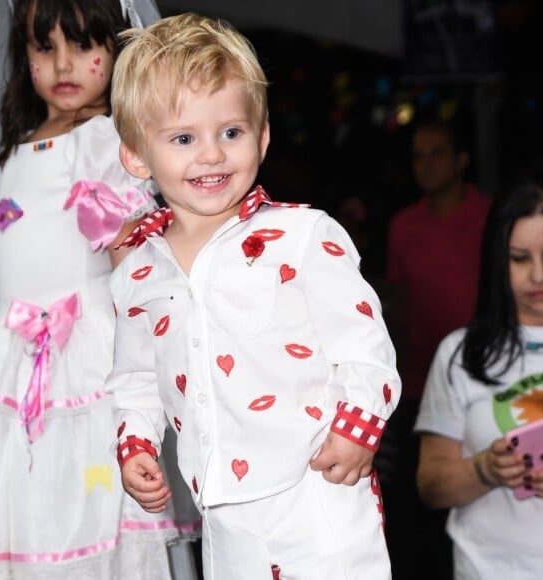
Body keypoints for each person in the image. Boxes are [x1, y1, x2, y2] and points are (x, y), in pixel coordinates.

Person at [105, 12, 401, 580]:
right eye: (184, 138)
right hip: (221, 513)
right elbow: (135, 378)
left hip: (316, 491)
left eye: (231, 132)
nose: (212, 155)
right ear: (137, 155)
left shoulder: (305, 235)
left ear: (261, 137)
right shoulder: (136, 271)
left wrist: (357, 425)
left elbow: (365, 345)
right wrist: (136, 444)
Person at [0, 1, 200, 578]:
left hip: (81, 364)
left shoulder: (108, 138)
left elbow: (133, 263)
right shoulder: (12, 151)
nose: (64, 63)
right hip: (11, 361)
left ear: (117, 49)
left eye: (85, 46)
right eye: (44, 47)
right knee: (24, 509)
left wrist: (119, 235)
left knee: (88, 510)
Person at [415, 179, 543, 579]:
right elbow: (431, 485)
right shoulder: (462, 353)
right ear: (498, 263)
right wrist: (485, 469)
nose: (538, 275)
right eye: (519, 258)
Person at [375, 116, 491, 579]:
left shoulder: (489, 215)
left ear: (462, 159)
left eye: (437, 152)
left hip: (480, 379)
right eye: (418, 155)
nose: (426, 164)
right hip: (419, 382)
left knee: (482, 485)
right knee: (419, 501)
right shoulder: (404, 225)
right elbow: (398, 301)